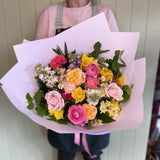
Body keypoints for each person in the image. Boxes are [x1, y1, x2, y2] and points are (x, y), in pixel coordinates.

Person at [36, 0, 119, 160]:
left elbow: (115, 60)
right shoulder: (50, 14)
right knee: (65, 152)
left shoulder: (105, 13)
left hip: (97, 103)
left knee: (93, 153)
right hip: (61, 102)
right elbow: (38, 57)